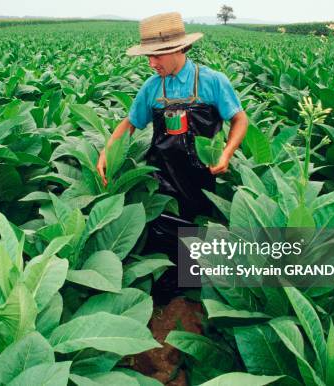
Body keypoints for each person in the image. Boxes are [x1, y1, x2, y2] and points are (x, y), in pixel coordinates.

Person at [96, 12, 248, 300]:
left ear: (178, 49)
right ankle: (167, 284)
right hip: (162, 172)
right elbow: (130, 124)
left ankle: (194, 290)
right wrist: (107, 152)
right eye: (148, 57)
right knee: (164, 229)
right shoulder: (152, 87)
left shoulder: (213, 81)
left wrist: (227, 153)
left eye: (157, 56)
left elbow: (240, 120)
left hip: (203, 174)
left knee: (198, 228)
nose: (152, 63)